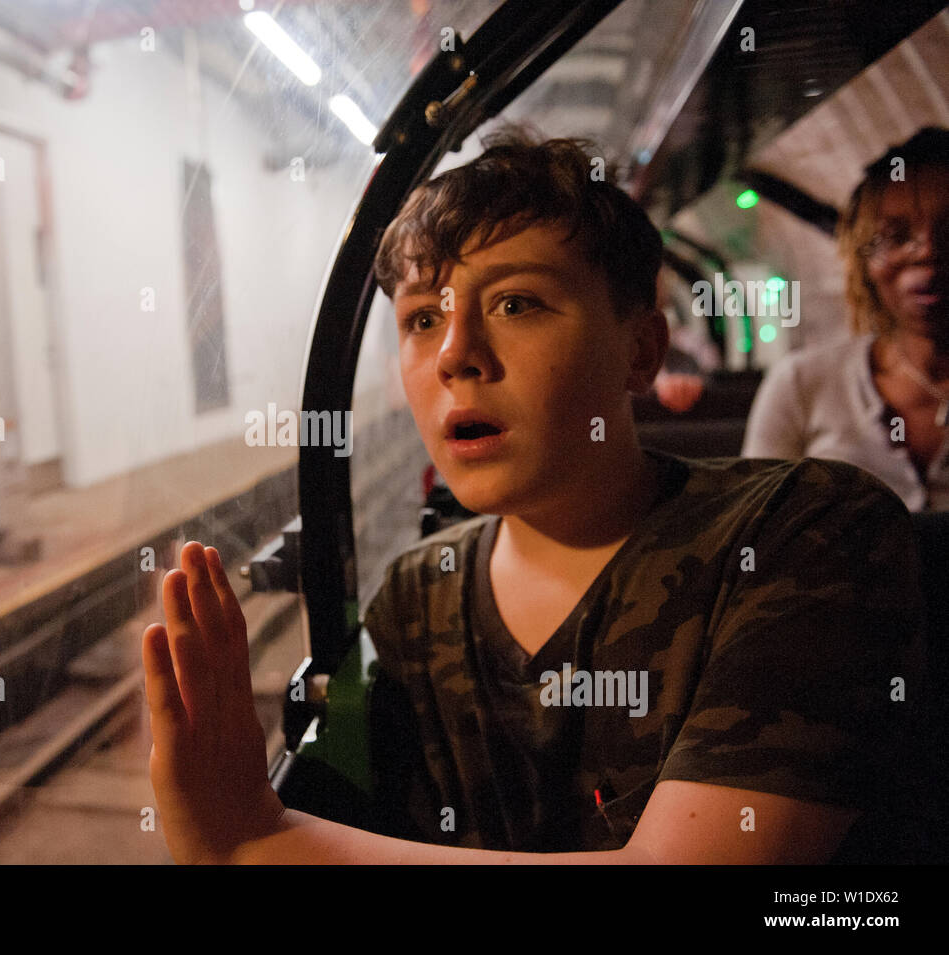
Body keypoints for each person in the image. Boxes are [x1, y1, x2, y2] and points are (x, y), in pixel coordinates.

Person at [140, 128, 928, 864]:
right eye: (422, 318)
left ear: (641, 349)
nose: (455, 355)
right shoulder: (415, 597)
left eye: (516, 303)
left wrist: (258, 842)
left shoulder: (809, 532)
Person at [742, 128, 949, 511]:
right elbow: (754, 526)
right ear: (863, 259)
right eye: (896, 236)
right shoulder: (801, 384)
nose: (927, 252)